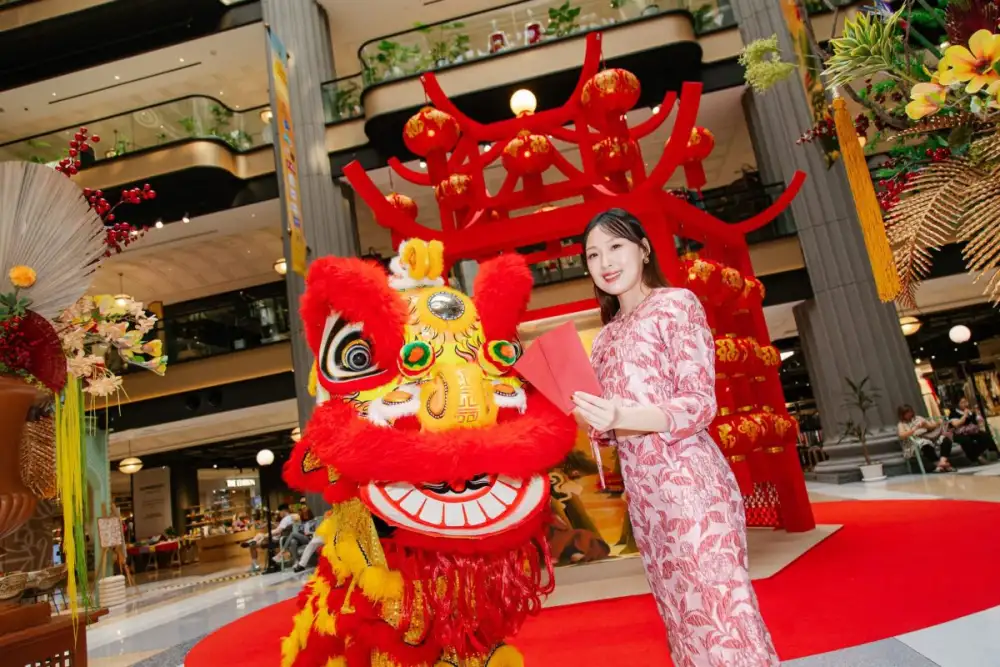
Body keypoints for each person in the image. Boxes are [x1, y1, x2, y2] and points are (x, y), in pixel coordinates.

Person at [572, 209, 779, 666]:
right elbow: (613, 431)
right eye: (593, 255)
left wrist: (620, 413)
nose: (605, 262)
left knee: (722, 611)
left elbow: (699, 403)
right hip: (645, 500)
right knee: (682, 617)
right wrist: (595, 421)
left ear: (644, 250)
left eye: (616, 246)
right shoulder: (604, 339)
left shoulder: (676, 304)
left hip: (690, 484)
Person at [897, 405, 955, 472]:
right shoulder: (901, 424)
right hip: (914, 441)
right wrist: (914, 429)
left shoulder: (918, 418)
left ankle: (942, 462)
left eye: (910, 412)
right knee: (925, 443)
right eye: (906, 413)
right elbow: (901, 435)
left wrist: (925, 425)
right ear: (902, 415)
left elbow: (932, 427)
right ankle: (941, 464)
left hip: (929, 436)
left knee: (945, 439)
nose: (909, 414)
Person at [948, 397, 992, 465]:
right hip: (959, 433)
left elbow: (978, 423)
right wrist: (965, 415)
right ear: (957, 404)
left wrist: (977, 414)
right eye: (962, 402)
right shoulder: (953, 413)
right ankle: (977, 458)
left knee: (986, 436)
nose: (965, 404)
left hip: (971, 431)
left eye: (966, 402)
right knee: (967, 440)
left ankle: (976, 455)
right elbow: (956, 424)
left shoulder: (970, 411)